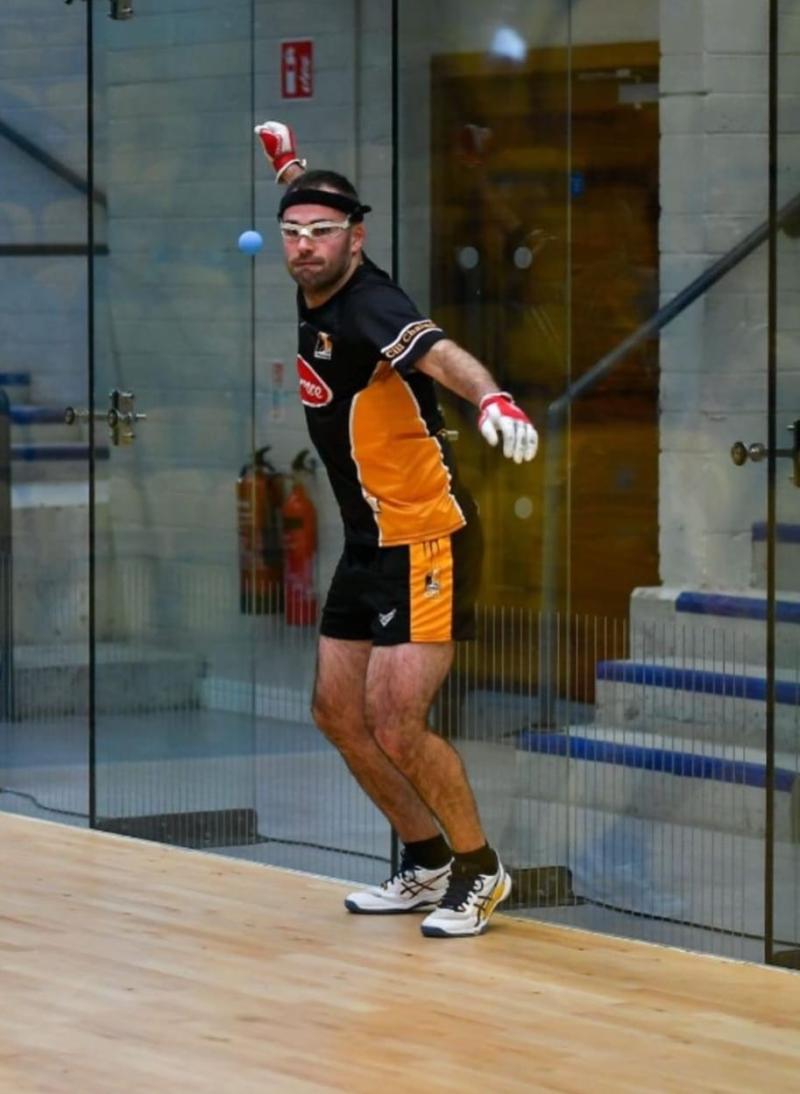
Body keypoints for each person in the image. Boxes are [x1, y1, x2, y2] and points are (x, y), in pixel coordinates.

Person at [255, 121, 538, 938]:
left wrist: (490, 398)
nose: (305, 246)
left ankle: (480, 872)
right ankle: (424, 862)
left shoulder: (371, 302)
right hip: (367, 538)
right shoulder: (314, 261)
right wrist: (289, 165)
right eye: (294, 233)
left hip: (427, 537)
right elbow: (307, 203)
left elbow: (435, 351)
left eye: (323, 233)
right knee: (336, 714)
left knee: (395, 721)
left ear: (358, 238)